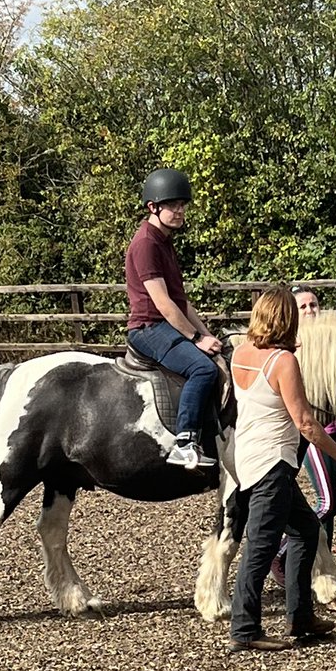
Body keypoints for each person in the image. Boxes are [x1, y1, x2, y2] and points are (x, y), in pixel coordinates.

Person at [229, 287, 336, 652]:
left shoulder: (240, 352)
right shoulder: (282, 361)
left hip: (250, 457)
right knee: (259, 548)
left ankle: (301, 617)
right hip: (272, 464)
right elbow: (305, 421)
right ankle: (244, 630)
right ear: (287, 319)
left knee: (306, 529)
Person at [125, 168, 222, 469]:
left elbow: (182, 302)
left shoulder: (164, 242)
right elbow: (164, 304)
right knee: (203, 370)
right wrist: (196, 339)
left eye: (183, 205)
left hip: (165, 324)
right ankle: (184, 442)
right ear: (153, 207)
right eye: (173, 205)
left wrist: (207, 335)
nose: (180, 211)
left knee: (218, 355)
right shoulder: (145, 245)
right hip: (148, 328)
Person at [270, 285, 336, 591]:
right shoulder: (294, 349)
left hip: (331, 431)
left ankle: (326, 571)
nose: (310, 310)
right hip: (310, 435)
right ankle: (280, 553)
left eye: (314, 304)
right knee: (327, 502)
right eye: (303, 306)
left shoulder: (331, 344)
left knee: (331, 505)